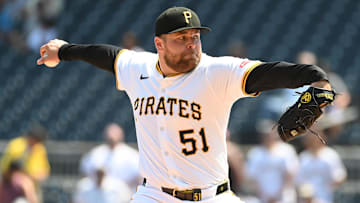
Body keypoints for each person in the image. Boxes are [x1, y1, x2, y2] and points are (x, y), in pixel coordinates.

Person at [36, 6, 333, 202]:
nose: (192, 42)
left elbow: (272, 72)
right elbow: (106, 55)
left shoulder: (218, 72)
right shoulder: (137, 67)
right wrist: (64, 51)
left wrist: (318, 80)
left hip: (212, 196)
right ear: (159, 44)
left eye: (195, 36)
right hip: (153, 195)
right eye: (182, 37)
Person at [246, 119, 298, 203]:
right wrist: (265, 195)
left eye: (269, 134)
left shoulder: (287, 150)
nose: (267, 137)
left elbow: (290, 174)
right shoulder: (255, 153)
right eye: (264, 134)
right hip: (262, 198)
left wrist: (277, 195)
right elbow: (252, 178)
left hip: (283, 198)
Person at [79, 123, 140, 192]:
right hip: (102, 196)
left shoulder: (132, 155)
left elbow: (139, 178)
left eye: (115, 133)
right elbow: (86, 172)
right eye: (110, 133)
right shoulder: (96, 154)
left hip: (126, 195)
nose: (111, 136)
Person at [296, 126, 347, 203]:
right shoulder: (303, 157)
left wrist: (335, 181)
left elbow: (340, 176)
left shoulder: (330, 154)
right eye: (310, 137)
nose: (313, 140)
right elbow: (298, 180)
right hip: (306, 199)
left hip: (325, 197)